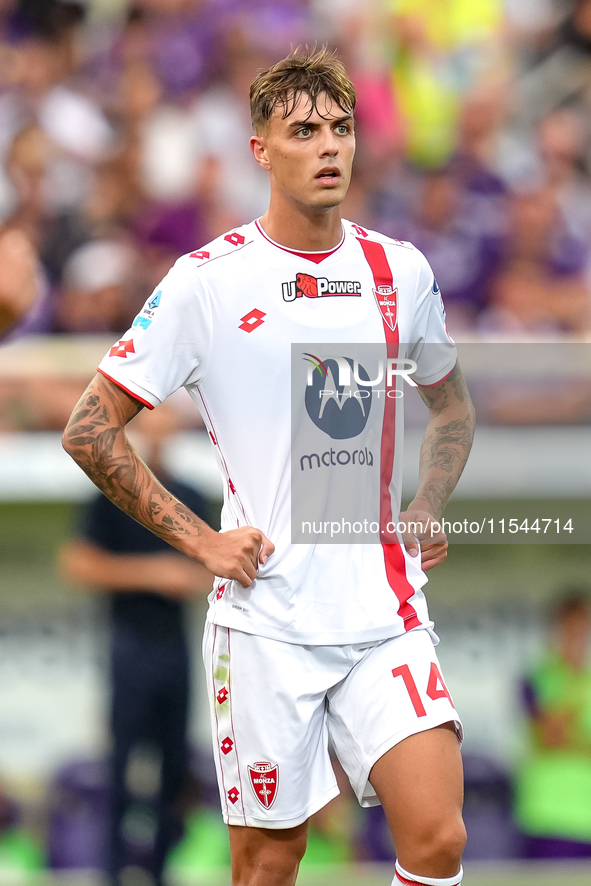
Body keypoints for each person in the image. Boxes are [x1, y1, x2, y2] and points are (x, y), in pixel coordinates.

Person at [63, 47, 476, 886]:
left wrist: (428, 500)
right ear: (260, 149)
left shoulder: (400, 270)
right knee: (266, 866)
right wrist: (199, 541)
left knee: (437, 840)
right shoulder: (207, 283)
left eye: (341, 128)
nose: (328, 146)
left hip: (381, 609)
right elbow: (88, 426)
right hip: (267, 625)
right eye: (302, 131)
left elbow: (452, 405)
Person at [59, 404, 213, 886]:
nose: (160, 432)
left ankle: (162, 871)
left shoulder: (190, 495)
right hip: (129, 645)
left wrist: (196, 576)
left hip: (176, 645)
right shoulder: (111, 494)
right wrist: (151, 575)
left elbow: (211, 564)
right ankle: (112, 872)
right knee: (121, 767)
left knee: (174, 768)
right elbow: (78, 564)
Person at [514, 591, 591, 859]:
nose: (577, 637)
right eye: (570, 629)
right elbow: (550, 736)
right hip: (547, 815)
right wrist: (572, 679)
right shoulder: (535, 678)